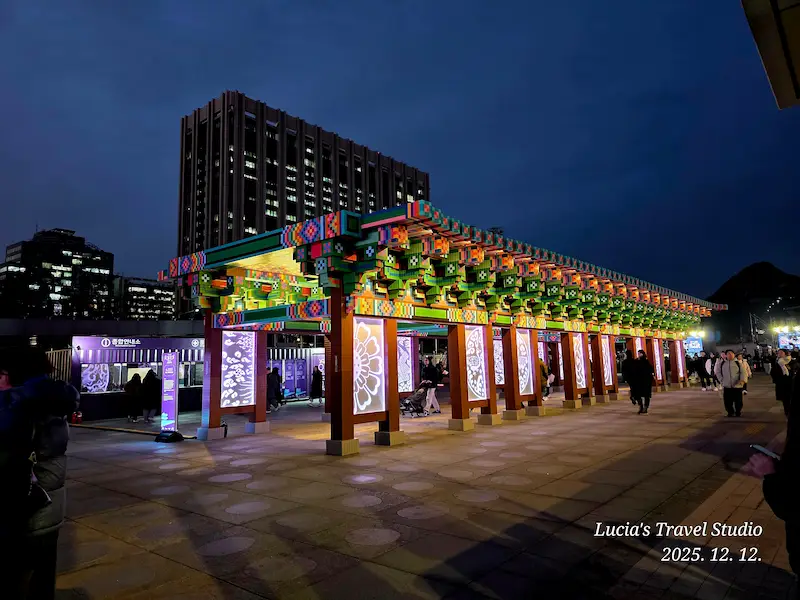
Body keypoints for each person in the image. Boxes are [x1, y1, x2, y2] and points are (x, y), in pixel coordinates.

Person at [0, 346, 80, 600]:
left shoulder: (16, 406)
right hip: (49, 506)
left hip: (21, 511)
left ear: (13, 374)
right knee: (42, 579)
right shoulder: (53, 401)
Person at [714, 349, 746, 417]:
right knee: (727, 401)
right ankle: (730, 412)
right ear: (726, 355)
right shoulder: (722, 363)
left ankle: (738, 412)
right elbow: (718, 372)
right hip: (727, 386)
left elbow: (743, 372)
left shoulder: (738, 363)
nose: (730, 355)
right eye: (728, 354)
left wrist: (742, 380)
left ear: (734, 355)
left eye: (732, 353)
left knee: (738, 401)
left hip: (737, 386)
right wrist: (722, 380)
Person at [773, 349, 793, 416]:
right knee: (785, 400)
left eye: (781, 352)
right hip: (782, 384)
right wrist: (777, 380)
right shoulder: (777, 362)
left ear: (785, 353)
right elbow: (773, 373)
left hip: (791, 383)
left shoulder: (791, 361)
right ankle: (787, 413)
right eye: (778, 353)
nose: (779, 354)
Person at [634, 349, 654, 414]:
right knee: (637, 394)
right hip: (638, 381)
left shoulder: (646, 361)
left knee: (646, 395)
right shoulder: (636, 361)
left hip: (646, 381)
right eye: (638, 353)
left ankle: (645, 407)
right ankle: (641, 406)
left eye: (640, 353)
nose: (639, 355)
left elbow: (650, 370)